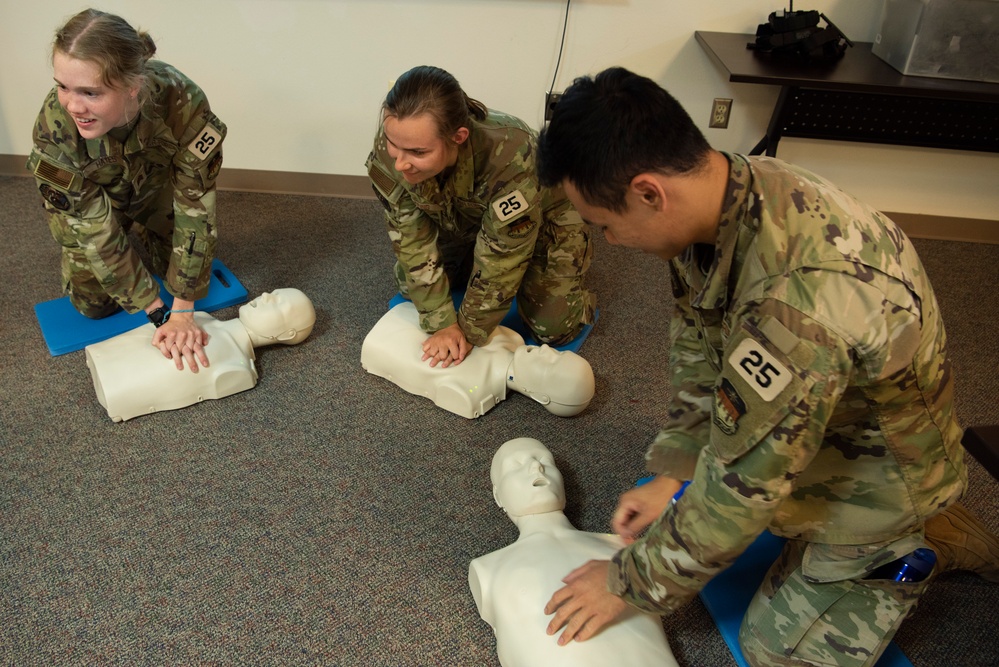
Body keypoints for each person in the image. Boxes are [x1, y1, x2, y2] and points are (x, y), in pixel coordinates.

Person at [534, 67, 999, 667]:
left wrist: (627, 582)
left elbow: (738, 489)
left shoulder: (797, 306)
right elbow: (700, 353)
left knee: (775, 652)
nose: (610, 242)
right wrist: (674, 472)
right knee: (725, 507)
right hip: (820, 415)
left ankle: (916, 535)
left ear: (650, 192)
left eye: (604, 225)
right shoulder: (723, 196)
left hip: (878, 469)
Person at [27, 8, 227, 372]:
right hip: (94, 205)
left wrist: (182, 309)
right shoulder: (55, 127)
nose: (73, 105)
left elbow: (195, 205)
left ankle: (147, 235)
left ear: (132, 86)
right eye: (62, 86)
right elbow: (94, 230)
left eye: (90, 91)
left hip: (154, 190)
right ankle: (127, 239)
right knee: (95, 306)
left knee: (190, 280)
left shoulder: (181, 102)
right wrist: (157, 313)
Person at [365, 65, 595, 370]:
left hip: (539, 225)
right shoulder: (396, 137)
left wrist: (466, 330)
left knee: (553, 329)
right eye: (395, 147)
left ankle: (565, 276)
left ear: (458, 137)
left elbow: (502, 257)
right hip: (460, 219)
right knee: (412, 290)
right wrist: (440, 323)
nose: (401, 164)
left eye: (418, 152)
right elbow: (409, 237)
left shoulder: (511, 152)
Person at [469, 437, 678, 667]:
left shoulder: (625, 548)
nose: (536, 467)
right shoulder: (487, 568)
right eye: (516, 465)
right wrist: (673, 478)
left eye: (545, 461)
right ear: (498, 496)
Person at [85, 289, 315, 422]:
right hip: (101, 355)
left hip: (116, 392)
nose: (264, 295)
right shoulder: (202, 316)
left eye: (277, 303)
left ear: (287, 333)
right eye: (273, 293)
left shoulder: (237, 368)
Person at [361, 301, 594, 418]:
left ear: (540, 396)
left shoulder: (473, 393)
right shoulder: (512, 339)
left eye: (552, 363)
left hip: (382, 342)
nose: (546, 350)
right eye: (559, 353)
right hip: (407, 313)